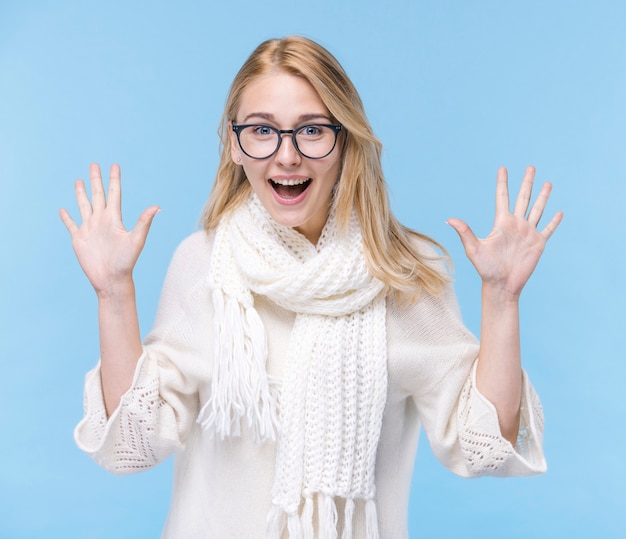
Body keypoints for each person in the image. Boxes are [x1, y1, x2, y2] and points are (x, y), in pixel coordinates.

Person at [59, 36, 563, 539]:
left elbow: (485, 445)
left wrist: (502, 298)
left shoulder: (405, 274)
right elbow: (133, 442)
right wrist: (113, 293)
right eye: (262, 131)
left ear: (344, 140)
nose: (287, 157)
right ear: (235, 144)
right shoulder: (205, 265)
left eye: (312, 131)